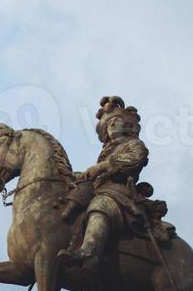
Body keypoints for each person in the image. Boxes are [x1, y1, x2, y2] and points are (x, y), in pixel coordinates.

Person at [57, 96, 152, 271]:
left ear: (128, 126)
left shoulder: (135, 145)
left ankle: (89, 252)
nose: (112, 126)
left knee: (101, 204)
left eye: (117, 122)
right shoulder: (108, 149)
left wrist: (102, 166)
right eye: (109, 124)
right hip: (99, 188)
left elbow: (135, 159)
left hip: (119, 190)